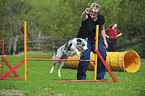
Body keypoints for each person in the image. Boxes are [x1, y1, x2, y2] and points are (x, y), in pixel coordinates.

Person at [77, 3, 108, 80]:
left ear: (98, 13)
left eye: (94, 15)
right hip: (85, 40)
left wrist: (105, 40)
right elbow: (83, 17)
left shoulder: (101, 18)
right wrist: (85, 12)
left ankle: (100, 76)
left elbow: (102, 29)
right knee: (85, 57)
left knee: (103, 55)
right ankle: (81, 77)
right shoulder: (86, 16)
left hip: (95, 39)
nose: (92, 16)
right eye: (91, 14)